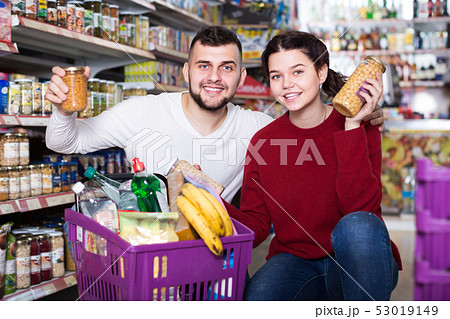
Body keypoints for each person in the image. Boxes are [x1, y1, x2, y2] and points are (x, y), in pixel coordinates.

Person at [45, 26, 385, 206]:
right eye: (204, 65)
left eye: (227, 68)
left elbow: (312, 136)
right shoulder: (141, 111)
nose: (214, 77)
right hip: (141, 254)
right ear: (186, 71)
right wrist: (62, 111)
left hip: (212, 256)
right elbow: (66, 142)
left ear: (240, 78)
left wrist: (356, 119)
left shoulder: (257, 129)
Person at [222, 31, 402, 301]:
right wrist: (211, 199)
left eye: (297, 71)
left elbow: (361, 214)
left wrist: (352, 125)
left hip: (359, 260)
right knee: (259, 300)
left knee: (356, 226)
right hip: (295, 260)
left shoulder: (363, 125)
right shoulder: (264, 142)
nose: (286, 84)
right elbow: (257, 225)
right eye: (276, 76)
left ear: (321, 73)